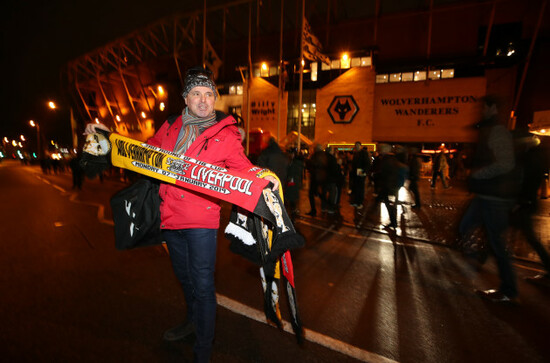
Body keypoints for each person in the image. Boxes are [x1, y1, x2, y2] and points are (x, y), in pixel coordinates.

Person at [86, 66, 278, 362]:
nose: (203, 100)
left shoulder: (226, 134)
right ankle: (192, 323)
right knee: (185, 279)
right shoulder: (171, 127)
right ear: (186, 99)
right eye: (196, 94)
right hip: (170, 217)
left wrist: (264, 178)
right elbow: (142, 153)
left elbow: (242, 170)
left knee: (202, 285)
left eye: (209, 95)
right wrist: (106, 137)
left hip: (201, 220)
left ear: (215, 99)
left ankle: (203, 349)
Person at [458, 95, 520, 303]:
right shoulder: (487, 129)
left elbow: (505, 164)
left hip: (495, 197)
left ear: (492, 107)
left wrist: (478, 174)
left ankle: (509, 290)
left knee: (497, 244)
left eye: (483, 107)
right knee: (464, 226)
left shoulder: (498, 131)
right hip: (485, 195)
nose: (481, 110)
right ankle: (476, 259)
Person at [306, 143, 328, 216]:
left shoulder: (315, 155)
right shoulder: (324, 155)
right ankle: (326, 205)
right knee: (320, 192)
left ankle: (313, 210)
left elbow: (311, 165)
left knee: (311, 194)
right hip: (323, 177)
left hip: (315, 176)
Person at [349, 141, 371, 209]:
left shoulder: (363, 153)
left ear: (360, 146)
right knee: (356, 187)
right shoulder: (356, 153)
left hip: (360, 171)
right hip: (356, 172)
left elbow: (367, 163)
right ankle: (356, 201)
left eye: (358, 145)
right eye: (356, 145)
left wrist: (363, 171)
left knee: (360, 187)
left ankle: (360, 202)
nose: (357, 146)